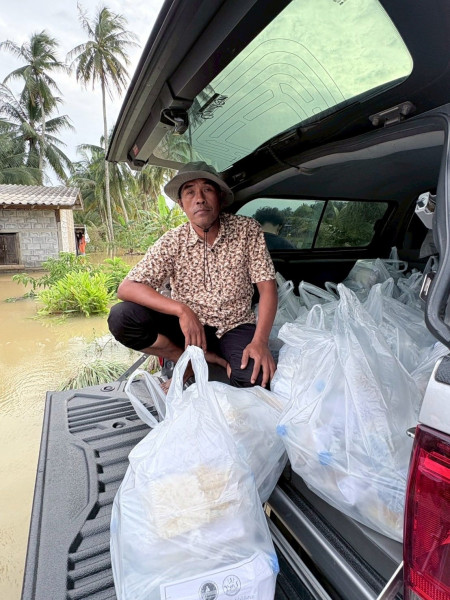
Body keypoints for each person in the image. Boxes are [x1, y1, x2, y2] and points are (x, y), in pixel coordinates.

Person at [108, 161, 278, 390]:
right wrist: (182, 310)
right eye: (190, 192)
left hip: (235, 325)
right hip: (188, 329)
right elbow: (127, 287)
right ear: (181, 204)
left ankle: (215, 359)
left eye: (207, 189)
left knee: (256, 380)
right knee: (122, 317)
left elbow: (267, 289)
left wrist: (260, 342)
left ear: (219, 197)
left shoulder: (247, 230)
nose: (199, 199)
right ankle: (186, 361)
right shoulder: (173, 241)